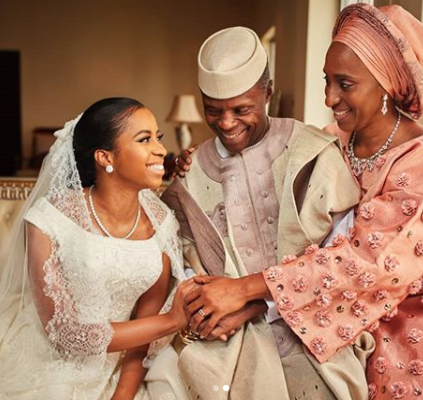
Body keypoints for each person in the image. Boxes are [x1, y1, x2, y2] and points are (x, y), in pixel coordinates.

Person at [184, 4, 423, 399]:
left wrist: (244, 291)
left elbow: (370, 263)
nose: (329, 97)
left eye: (345, 84)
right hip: (355, 308)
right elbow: (284, 218)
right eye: (327, 80)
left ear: (386, 85)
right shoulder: (330, 140)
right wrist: (187, 162)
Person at [149, 26, 374, 400]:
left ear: (267, 92)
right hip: (228, 347)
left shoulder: (312, 153)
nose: (226, 123)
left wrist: (256, 303)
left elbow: (341, 259)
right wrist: (210, 310)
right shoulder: (190, 176)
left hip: (316, 331)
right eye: (213, 110)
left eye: (242, 110)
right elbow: (184, 261)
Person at [0, 97, 194, 400]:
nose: (159, 149)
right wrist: (172, 321)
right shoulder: (48, 219)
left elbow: (146, 327)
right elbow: (65, 334)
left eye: (159, 137)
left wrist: (122, 396)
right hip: (52, 364)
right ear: (105, 158)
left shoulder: (162, 222)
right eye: (144, 139)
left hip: (126, 367)